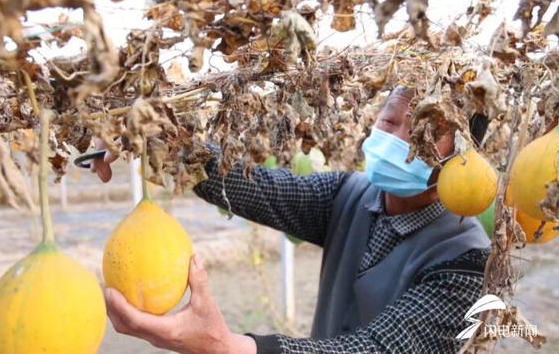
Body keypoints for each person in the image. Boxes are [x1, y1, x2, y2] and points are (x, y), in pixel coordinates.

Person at [92, 86, 491, 354]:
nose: (396, 139)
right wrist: (160, 135)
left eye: (420, 133)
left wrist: (230, 346)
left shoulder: (469, 261)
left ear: (463, 153)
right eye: (389, 123)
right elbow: (256, 187)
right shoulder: (350, 194)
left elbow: (376, 348)